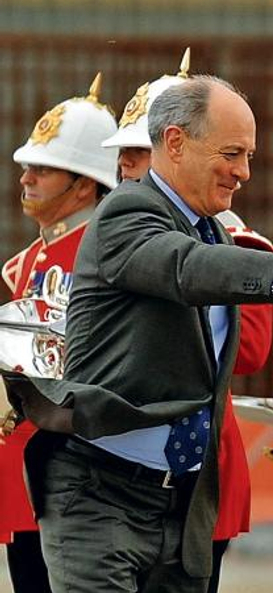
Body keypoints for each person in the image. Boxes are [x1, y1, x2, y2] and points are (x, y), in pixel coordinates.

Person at [3, 74, 273, 593]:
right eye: (231, 153)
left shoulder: (215, 230)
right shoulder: (125, 212)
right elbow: (185, 267)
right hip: (100, 493)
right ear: (175, 143)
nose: (244, 172)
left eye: (248, 156)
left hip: (182, 503)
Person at [101, 52, 273, 593]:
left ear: (172, 147)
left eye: (138, 152)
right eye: (125, 154)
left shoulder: (233, 242)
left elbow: (249, 353)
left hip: (196, 459)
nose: (127, 167)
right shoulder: (114, 228)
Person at [0, 73, 118, 593]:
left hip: (80, 470)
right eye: (27, 167)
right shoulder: (24, 263)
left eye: (42, 169)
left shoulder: (106, 254)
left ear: (84, 183)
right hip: (26, 466)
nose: (25, 178)